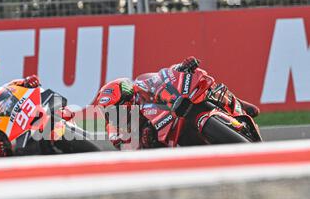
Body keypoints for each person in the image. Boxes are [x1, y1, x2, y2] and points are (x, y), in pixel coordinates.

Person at [94, 56, 260, 149]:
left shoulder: (143, 88)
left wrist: (181, 68)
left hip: (174, 116)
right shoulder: (115, 132)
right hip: (167, 150)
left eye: (116, 109)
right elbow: (131, 155)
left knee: (202, 90)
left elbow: (163, 77)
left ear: (129, 100)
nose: (114, 115)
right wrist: (145, 141)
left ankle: (237, 105)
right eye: (109, 112)